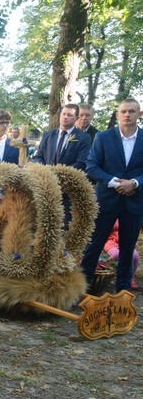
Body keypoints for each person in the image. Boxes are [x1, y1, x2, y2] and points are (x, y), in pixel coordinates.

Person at [80, 98, 143, 292]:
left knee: (127, 248)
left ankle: (123, 291)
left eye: (132, 111)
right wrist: (116, 182)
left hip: (134, 202)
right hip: (107, 200)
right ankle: (83, 289)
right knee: (94, 247)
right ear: (117, 115)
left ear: (139, 114)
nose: (127, 114)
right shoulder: (103, 137)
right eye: (123, 111)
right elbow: (91, 167)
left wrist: (135, 183)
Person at [34, 104, 91, 170]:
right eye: (63, 114)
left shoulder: (84, 138)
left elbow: (82, 162)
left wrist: (60, 171)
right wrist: (46, 170)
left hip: (68, 177)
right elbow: (38, 157)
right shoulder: (47, 135)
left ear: (77, 118)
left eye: (69, 115)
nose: (65, 117)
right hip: (46, 176)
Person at [104, 220, 139, 290]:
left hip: (126, 240)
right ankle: (115, 275)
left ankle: (131, 277)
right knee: (116, 255)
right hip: (111, 241)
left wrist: (134, 241)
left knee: (135, 256)